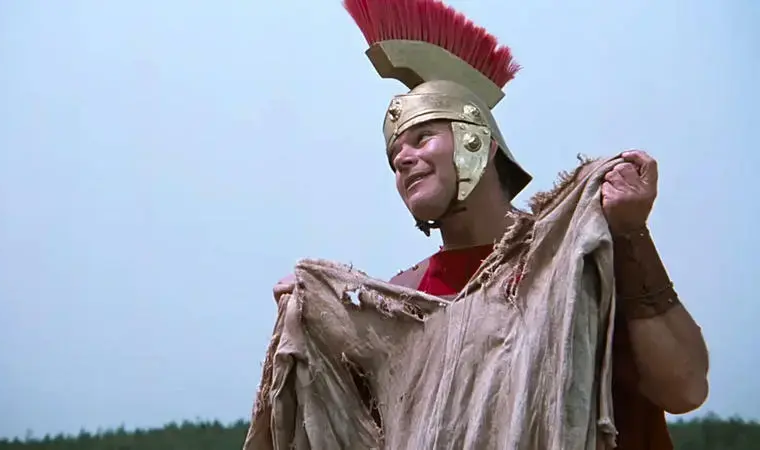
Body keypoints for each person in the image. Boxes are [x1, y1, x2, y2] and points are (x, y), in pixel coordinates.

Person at [268, 0, 709, 448]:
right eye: (394, 156)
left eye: (422, 138)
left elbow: (685, 388)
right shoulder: (403, 303)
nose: (402, 159)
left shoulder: (572, 259)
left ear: (478, 142)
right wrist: (313, 320)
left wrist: (631, 235)